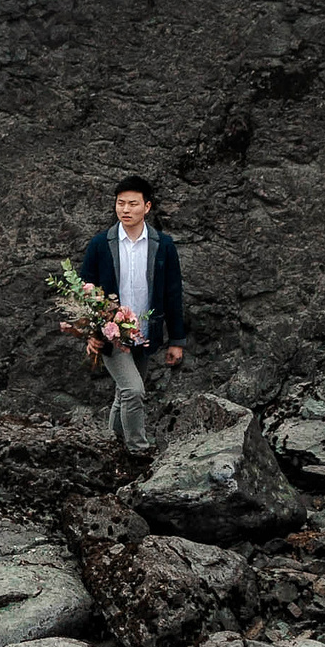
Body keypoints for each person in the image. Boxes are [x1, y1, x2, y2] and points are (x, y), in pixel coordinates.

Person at [77, 176, 188, 453]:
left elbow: (173, 293)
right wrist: (92, 333)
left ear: (147, 207)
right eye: (120, 203)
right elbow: (83, 290)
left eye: (132, 204)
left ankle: (111, 447)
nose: (125, 209)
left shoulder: (163, 245)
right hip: (111, 333)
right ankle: (139, 450)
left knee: (123, 394)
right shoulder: (101, 244)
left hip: (145, 332)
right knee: (133, 391)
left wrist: (176, 339)